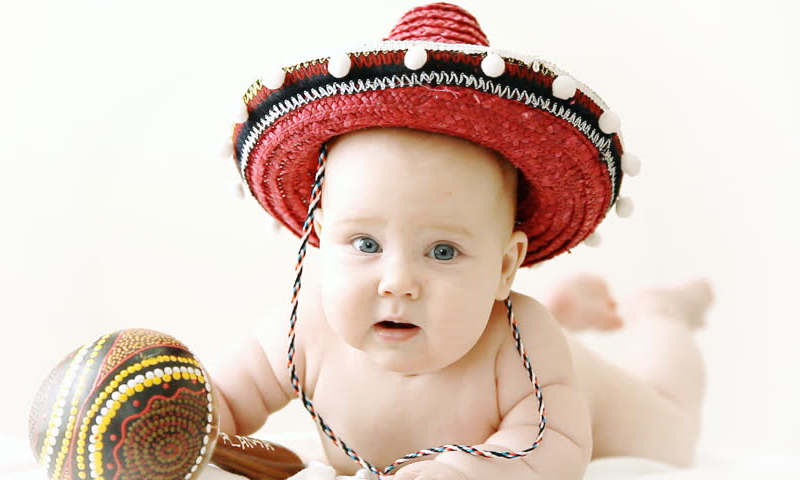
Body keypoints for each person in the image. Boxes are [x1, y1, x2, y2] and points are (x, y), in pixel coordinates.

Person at [211, 3, 712, 479]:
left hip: (586, 394)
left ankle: (662, 314)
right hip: (500, 329)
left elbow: (552, 448)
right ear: (318, 235)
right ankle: (571, 312)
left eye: (443, 251)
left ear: (503, 267)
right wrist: (181, 409)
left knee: (671, 425)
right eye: (365, 244)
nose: (398, 283)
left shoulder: (520, 347)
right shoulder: (301, 332)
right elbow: (225, 403)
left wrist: (463, 470)